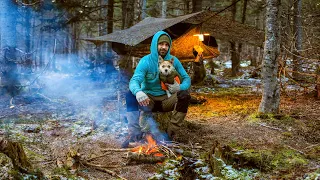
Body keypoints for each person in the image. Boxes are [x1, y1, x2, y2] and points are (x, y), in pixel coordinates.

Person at [123, 31, 191, 147]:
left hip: (167, 101)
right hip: (149, 101)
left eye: (166, 44)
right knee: (130, 95)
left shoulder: (173, 60)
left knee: (185, 95)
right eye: (161, 44)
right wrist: (138, 92)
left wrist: (180, 87)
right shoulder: (146, 61)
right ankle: (135, 134)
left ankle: (170, 133)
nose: (164, 47)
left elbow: (186, 79)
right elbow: (135, 80)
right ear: (155, 44)